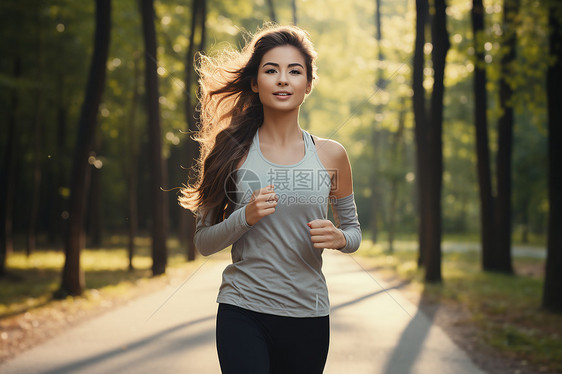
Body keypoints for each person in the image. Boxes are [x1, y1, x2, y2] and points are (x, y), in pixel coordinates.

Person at [179, 24, 361, 374]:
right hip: (242, 310)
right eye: (271, 70)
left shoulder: (331, 155)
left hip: (308, 314)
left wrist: (340, 238)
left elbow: (353, 231)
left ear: (308, 85)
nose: (282, 79)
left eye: (295, 71)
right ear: (254, 82)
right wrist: (243, 217)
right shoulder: (229, 152)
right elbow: (203, 241)